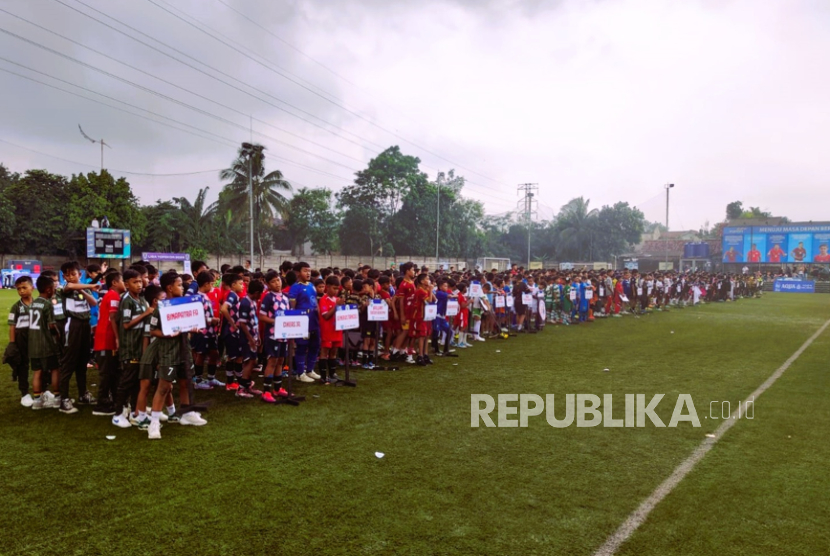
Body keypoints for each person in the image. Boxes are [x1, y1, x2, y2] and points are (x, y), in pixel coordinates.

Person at [147, 273, 206, 440]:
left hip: (184, 350)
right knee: (164, 387)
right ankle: (154, 423)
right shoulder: (161, 307)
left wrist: (192, 329)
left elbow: (187, 325)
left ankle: (187, 414)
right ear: (169, 288)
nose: (183, 287)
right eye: (179, 285)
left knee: (186, 382)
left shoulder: (185, 305)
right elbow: (153, 330)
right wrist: (169, 334)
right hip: (168, 352)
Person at [111, 270, 154, 429]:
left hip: (140, 347)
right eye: (135, 282)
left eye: (140, 282)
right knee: (126, 381)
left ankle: (136, 412)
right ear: (127, 284)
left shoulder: (142, 300)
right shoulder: (127, 301)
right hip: (129, 347)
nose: (139, 285)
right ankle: (117, 414)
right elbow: (126, 324)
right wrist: (146, 314)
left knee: (137, 382)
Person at [58, 261, 100, 414]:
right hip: (72, 325)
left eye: (74, 274)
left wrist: (86, 290)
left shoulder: (81, 290)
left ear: (80, 275)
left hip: (84, 325)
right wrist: (88, 286)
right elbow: (69, 287)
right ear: (63, 277)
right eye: (67, 275)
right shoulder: (64, 288)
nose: (71, 277)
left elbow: (94, 302)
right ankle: (64, 399)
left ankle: (83, 394)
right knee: (68, 362)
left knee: (82, 362)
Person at [91, 271, 125, 416]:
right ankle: (101, 405)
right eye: (122, 280)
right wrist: (118, 338)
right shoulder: (113, 295)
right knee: (106, 373)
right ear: (114, 283)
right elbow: (112, 318)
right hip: (106, 340)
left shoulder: (113, 295)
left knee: (111, 372)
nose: (124, 283)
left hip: (106, 339)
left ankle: (109, 401)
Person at [27, 275, 62, 410]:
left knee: (37, 371)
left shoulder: (33, 303)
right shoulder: (47, 304)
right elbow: (52, 326)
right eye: (53, 288)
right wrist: (58, 337)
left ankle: (37, 401)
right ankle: (57, 398)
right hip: (46, 344)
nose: (54, 290)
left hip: (33, 344)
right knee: (55, 369)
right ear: (48, 290)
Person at [258, 271, 290, 402]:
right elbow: (261, 316)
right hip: (272, 335)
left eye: (278, 280)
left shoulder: (286, 297)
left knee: (281, 361)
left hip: (284, 335)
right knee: (272, 361)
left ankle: (278, 388)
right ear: (268, 284)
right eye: (273, 282)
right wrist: (275, 321)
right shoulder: (268, 297)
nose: (277, 283)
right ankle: (266, 391)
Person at [289, 262, 322, 383]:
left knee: (315, 345)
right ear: (298, 272)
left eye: (309, 270)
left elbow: (315, 302)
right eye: (305, 271)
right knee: (302, 346)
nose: (308, 273)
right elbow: (292, 306)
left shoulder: (312, 285)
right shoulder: (295, 287)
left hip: (314, 320)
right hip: (303, 321)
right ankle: (300, 373)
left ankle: (310, 370)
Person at [191, 271, 224, 390]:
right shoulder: (196, 298)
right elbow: (196, 316)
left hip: (211, 331)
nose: (213, 286)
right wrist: (211, 320)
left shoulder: (205, 296)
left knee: (214, 353)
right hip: (201, 332)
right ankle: (198, 380)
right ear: (205, 284)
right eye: (211, 283)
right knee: (201, 354)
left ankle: (211, 377)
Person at [235, 280, 264, 398]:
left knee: (251, 361)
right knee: (250, 361)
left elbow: (254, 321)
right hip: (247, 338)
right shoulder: (245, 303)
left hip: (253, 335)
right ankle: (241, 388)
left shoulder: (253, 302)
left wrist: (258, 336)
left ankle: (247, 385)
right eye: (260, 293)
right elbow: (242, 324)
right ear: (256, 292)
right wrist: (250, 338)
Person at [8, 276, 34, 407]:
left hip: (37, 337)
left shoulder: (39, 303)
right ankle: (25, 393)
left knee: (41, 363)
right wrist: (12, 343)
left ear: (32, 288)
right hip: (21, 337)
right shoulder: (16, 307)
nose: (21, 291)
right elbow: (12, 326)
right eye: (19, 289)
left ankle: (43, 390)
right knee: (23, 365)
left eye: (24, 287)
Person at [219, 273, 245, 390]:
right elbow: (223, 309)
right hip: (231, 332)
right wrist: (233, 324)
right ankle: (234, 382)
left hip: (232, 332)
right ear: (233, 285)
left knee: (235, 356)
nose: (243, 286)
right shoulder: (232, 295)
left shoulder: (233, 295)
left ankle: (235, 381)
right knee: (236, 357)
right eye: (240, 283)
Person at [319, 275, 344, 384]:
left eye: (337, 289)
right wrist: (336, 306)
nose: (336, 291)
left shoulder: (337, 299)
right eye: (334, 288)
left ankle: (332, 373)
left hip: (337, 330)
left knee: (334, 352)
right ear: (327, 287)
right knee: (325, 352)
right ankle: (323, 376)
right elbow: (326, 316)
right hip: (327, 330)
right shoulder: (323, 300)